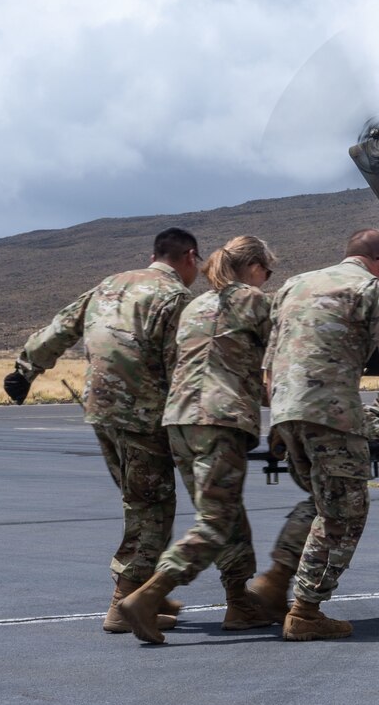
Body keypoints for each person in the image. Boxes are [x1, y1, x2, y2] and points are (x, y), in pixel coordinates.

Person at [5, 228, 200, 634]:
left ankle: (148, 593)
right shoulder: (176, 297)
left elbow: (64, 325)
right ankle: (123, 603)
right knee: (152, 509)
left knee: (137, 501)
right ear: (190, 257)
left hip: (102, 412)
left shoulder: (109, 284)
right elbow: (182, 367)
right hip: (144, 418)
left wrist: (25, 369)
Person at [263, 229, 379, 640]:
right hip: (332, 415)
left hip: (286, 411)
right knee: (345, 513)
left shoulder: (293, 285)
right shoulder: (369, 287)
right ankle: (305, 609)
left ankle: (276, 582)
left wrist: (281, 418)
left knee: (323, 502)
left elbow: (268, 364)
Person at [116, 236, 280, 642]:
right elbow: (278, 364)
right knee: (215, 521)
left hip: (180, 422)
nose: (267, 279)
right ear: (255, 267)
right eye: (267, 271)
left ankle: (240, 602)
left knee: (227, 513)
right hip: (219, 423)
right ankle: (147, 596)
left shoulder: (196, 306)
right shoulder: (254, 301)